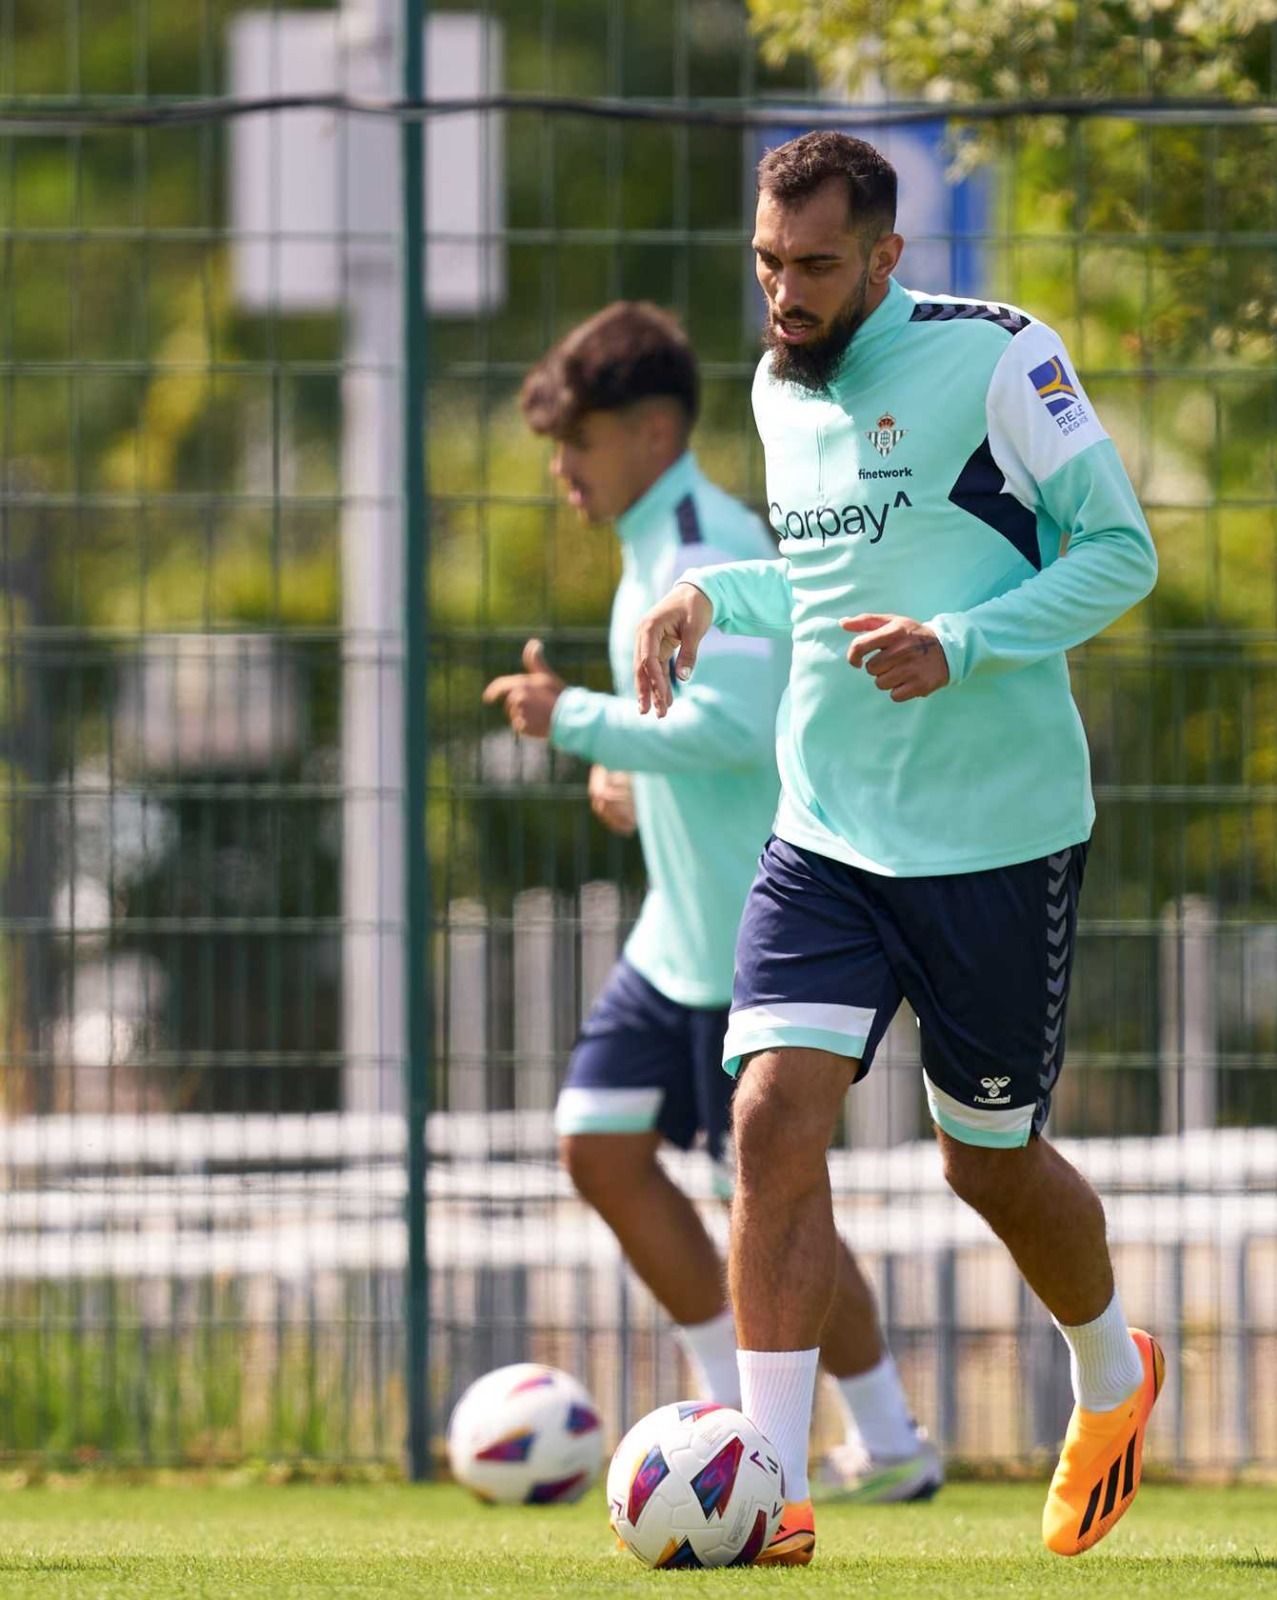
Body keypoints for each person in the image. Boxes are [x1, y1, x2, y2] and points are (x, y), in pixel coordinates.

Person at [633, 134, 1161, 1565]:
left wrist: (966, 644)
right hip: (825, 835)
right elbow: (822, 581)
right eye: (765, 265)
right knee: (769, 1118)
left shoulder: (1002, 357)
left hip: (997, 839)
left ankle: (1112, 1375)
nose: (783, 296)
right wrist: (703, 594)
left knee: (984, 1163)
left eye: (812, 268)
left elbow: (1121, 552)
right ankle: (772, 1483)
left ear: (886, 258)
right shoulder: (775, 385)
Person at [483, 299, 941, 1511]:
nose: (560, 470)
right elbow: (694, 717)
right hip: (671, 935)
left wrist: (574, 720)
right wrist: (626, 758)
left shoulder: (704, 541)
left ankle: (889, 1442)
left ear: (649, 430)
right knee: (598, 1142)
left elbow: (734, 724)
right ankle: (720, 1423)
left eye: (575, 441)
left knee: (776, 1201)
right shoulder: (649, 543)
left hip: (750, 931)